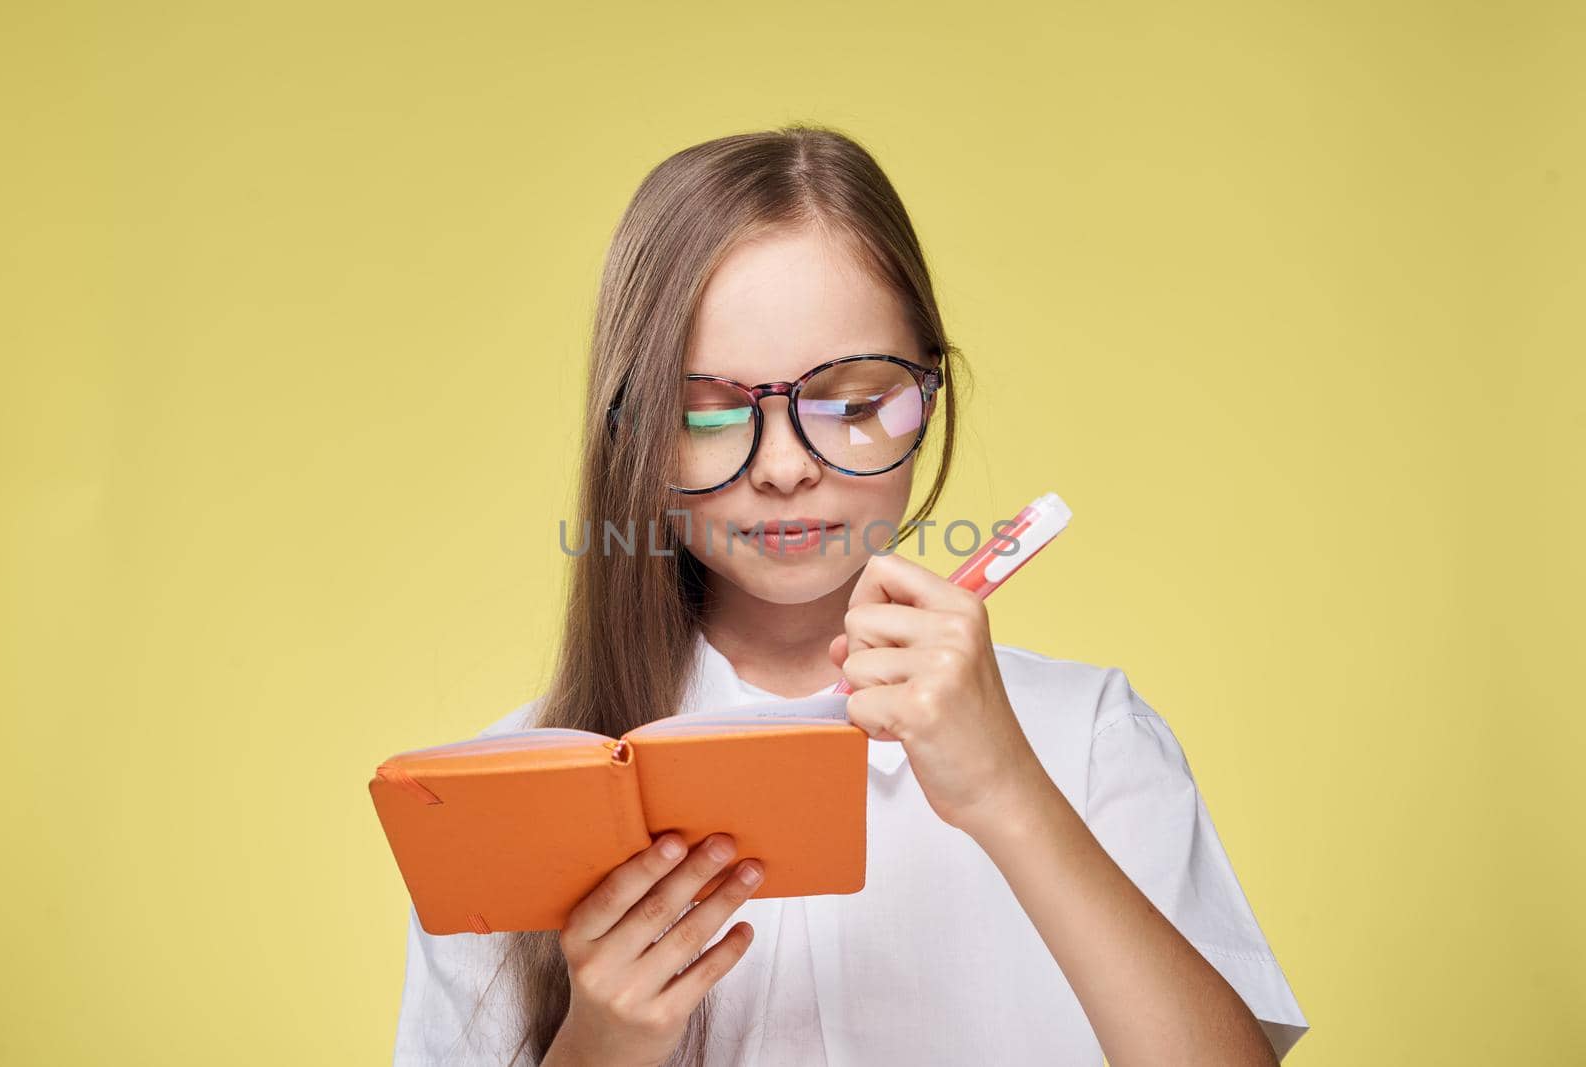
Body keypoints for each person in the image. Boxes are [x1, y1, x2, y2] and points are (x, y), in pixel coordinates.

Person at [390, 124, 1310, 1066]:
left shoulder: (1090, 740)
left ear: (931, 391)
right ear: (632, 433)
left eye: (855, 404)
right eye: (708, 415)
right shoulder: (498, 803)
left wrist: (1007, 790)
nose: (785, 468)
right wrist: (602, 1042)